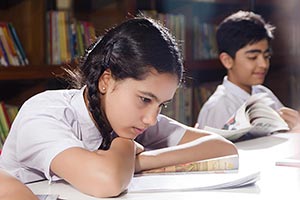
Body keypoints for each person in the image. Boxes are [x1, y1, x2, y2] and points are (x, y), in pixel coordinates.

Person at [0, 16, 237, 198]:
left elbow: (222, 148)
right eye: (145, 99)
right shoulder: (44, 113)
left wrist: (140, 161)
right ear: (106, 80)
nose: (152, 119)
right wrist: (123, 147)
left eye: (161, 104)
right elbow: (107, 182)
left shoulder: (131, 120)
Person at [196, 10, 300, 131]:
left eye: (266, 56)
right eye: (253, 57)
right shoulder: (218, 107)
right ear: (227, 60)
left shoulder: (263, 93)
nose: (263, 64)